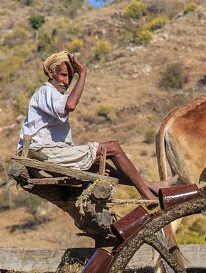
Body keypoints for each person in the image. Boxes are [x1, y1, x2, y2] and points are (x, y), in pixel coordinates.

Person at [18, 51, 161, 198]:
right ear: (50, 73)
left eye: (70, 77)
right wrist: (83, 74)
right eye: (63, 75)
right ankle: (148, 196)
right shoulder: (46, 92)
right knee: (113, 148)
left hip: (53, 152)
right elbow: (71, 105)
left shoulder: (53, 95)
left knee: (99, 166)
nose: (67, 82)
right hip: (43, 152)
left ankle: (151, 186)